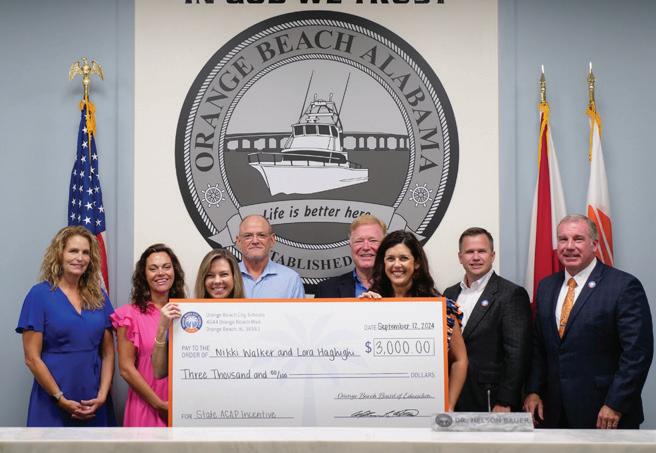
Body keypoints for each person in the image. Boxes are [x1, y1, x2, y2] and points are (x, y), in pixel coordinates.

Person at [524, 215, 653, 429]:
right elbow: (539, 347)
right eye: (563, 239)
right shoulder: (546, 286)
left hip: (604, 412)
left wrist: (616, 403)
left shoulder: (623, 286)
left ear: (594, 244)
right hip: (553, 412)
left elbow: (637, 353)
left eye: (578, 239)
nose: (569, 246)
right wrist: (533, 390)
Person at [16, 226, 115, 427]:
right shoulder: (39, 295)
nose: (80, 258)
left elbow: (108, 353)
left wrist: (103, 395)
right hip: (51, 401)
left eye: (85, 252)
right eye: (73, 251)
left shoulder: (99, 296)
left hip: (94, 402)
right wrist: (59, 398)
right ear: (59, 254)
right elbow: (32, 358)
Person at [361, 230, 468, 411]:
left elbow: (460, 360)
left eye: (403, 258)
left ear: (416, 263)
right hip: (378, 407)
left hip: (427, 407)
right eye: (390, 258)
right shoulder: (369, 305)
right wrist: (360, 311)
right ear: (383, 263)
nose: (397, 265)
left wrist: (449, 405)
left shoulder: (442, 309)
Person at [443, 227, 531, 412]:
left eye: (481, 251)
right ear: (460, 257)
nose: (476, 257)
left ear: (492, 255)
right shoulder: (449, 294)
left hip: (491, 398)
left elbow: (517, 354)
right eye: (469, 252)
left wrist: (505, 401)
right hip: (453, 396)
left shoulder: (511, 294)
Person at [111, 244, 186, 427]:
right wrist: (158, 404)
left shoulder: (186, 312)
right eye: (153, 268)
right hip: (146, 405)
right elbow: (126, 369)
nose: (161, 273)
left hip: (182, 406)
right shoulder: (130, 315)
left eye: (166, 267)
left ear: (174, 271)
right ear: (144, 275)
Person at [152, 248, 245, 378]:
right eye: (210, 275)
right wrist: (162, 328)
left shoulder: (249, 317)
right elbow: (158, 372)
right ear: (203, 280)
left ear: (234, 278)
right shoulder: (183, 316)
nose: (217, 281)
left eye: (224, 274)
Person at [314, 214, 386, 298]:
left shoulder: (396, 286)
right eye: (359, 241)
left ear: (384, 245)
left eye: (373, 240)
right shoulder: (326, 290)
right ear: (350, 245)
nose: (366, 247)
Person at [235, 215, 304, 298]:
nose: (255, 241)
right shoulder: (226, 277)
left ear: (272, 240)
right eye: (248, 236)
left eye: (261, 235)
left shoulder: (291, 280)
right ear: (238, 241)